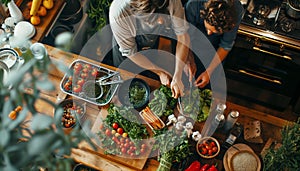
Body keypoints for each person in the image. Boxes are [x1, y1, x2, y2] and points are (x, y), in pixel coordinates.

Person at [109, 0, 190, 98]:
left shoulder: (171, 1)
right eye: (153, 18)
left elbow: (182, 37)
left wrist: (178, 75)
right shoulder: (119, 12)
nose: (160, 21)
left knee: (151, 81)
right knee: (125, 85)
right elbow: (131, 52)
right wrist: (160, 72)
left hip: (150, 42)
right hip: (127, 52)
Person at [184, 0, 244, 88]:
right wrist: (189, 58)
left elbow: (226, 44)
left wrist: (209, 71)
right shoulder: (193, 4)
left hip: (214, 51)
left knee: (207, 86)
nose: (208, 33)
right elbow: (185, 35)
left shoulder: (237, 11)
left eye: (214, 31)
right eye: (208, 28)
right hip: (189, 43)